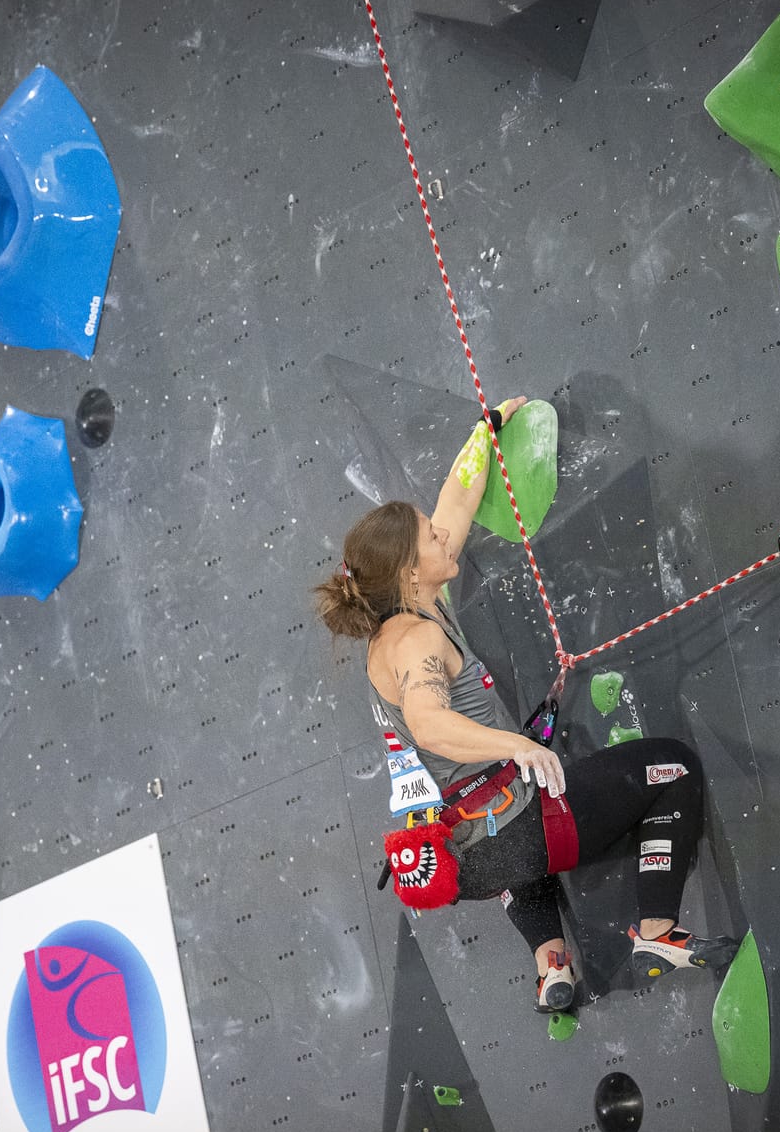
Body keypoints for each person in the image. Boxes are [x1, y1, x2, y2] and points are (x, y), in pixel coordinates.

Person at [312, 398, 732, 1013]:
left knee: (510, 839)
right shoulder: (419, 638)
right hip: (519, 834)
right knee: (671, 769)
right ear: (408, 571)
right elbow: (429, 722)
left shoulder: (404, 613)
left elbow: (454, 506)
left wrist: (485, 435)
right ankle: (657, 934)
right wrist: (521, 746)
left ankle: (550, 964)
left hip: (471, 861)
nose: (439, 531)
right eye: (428, 536)